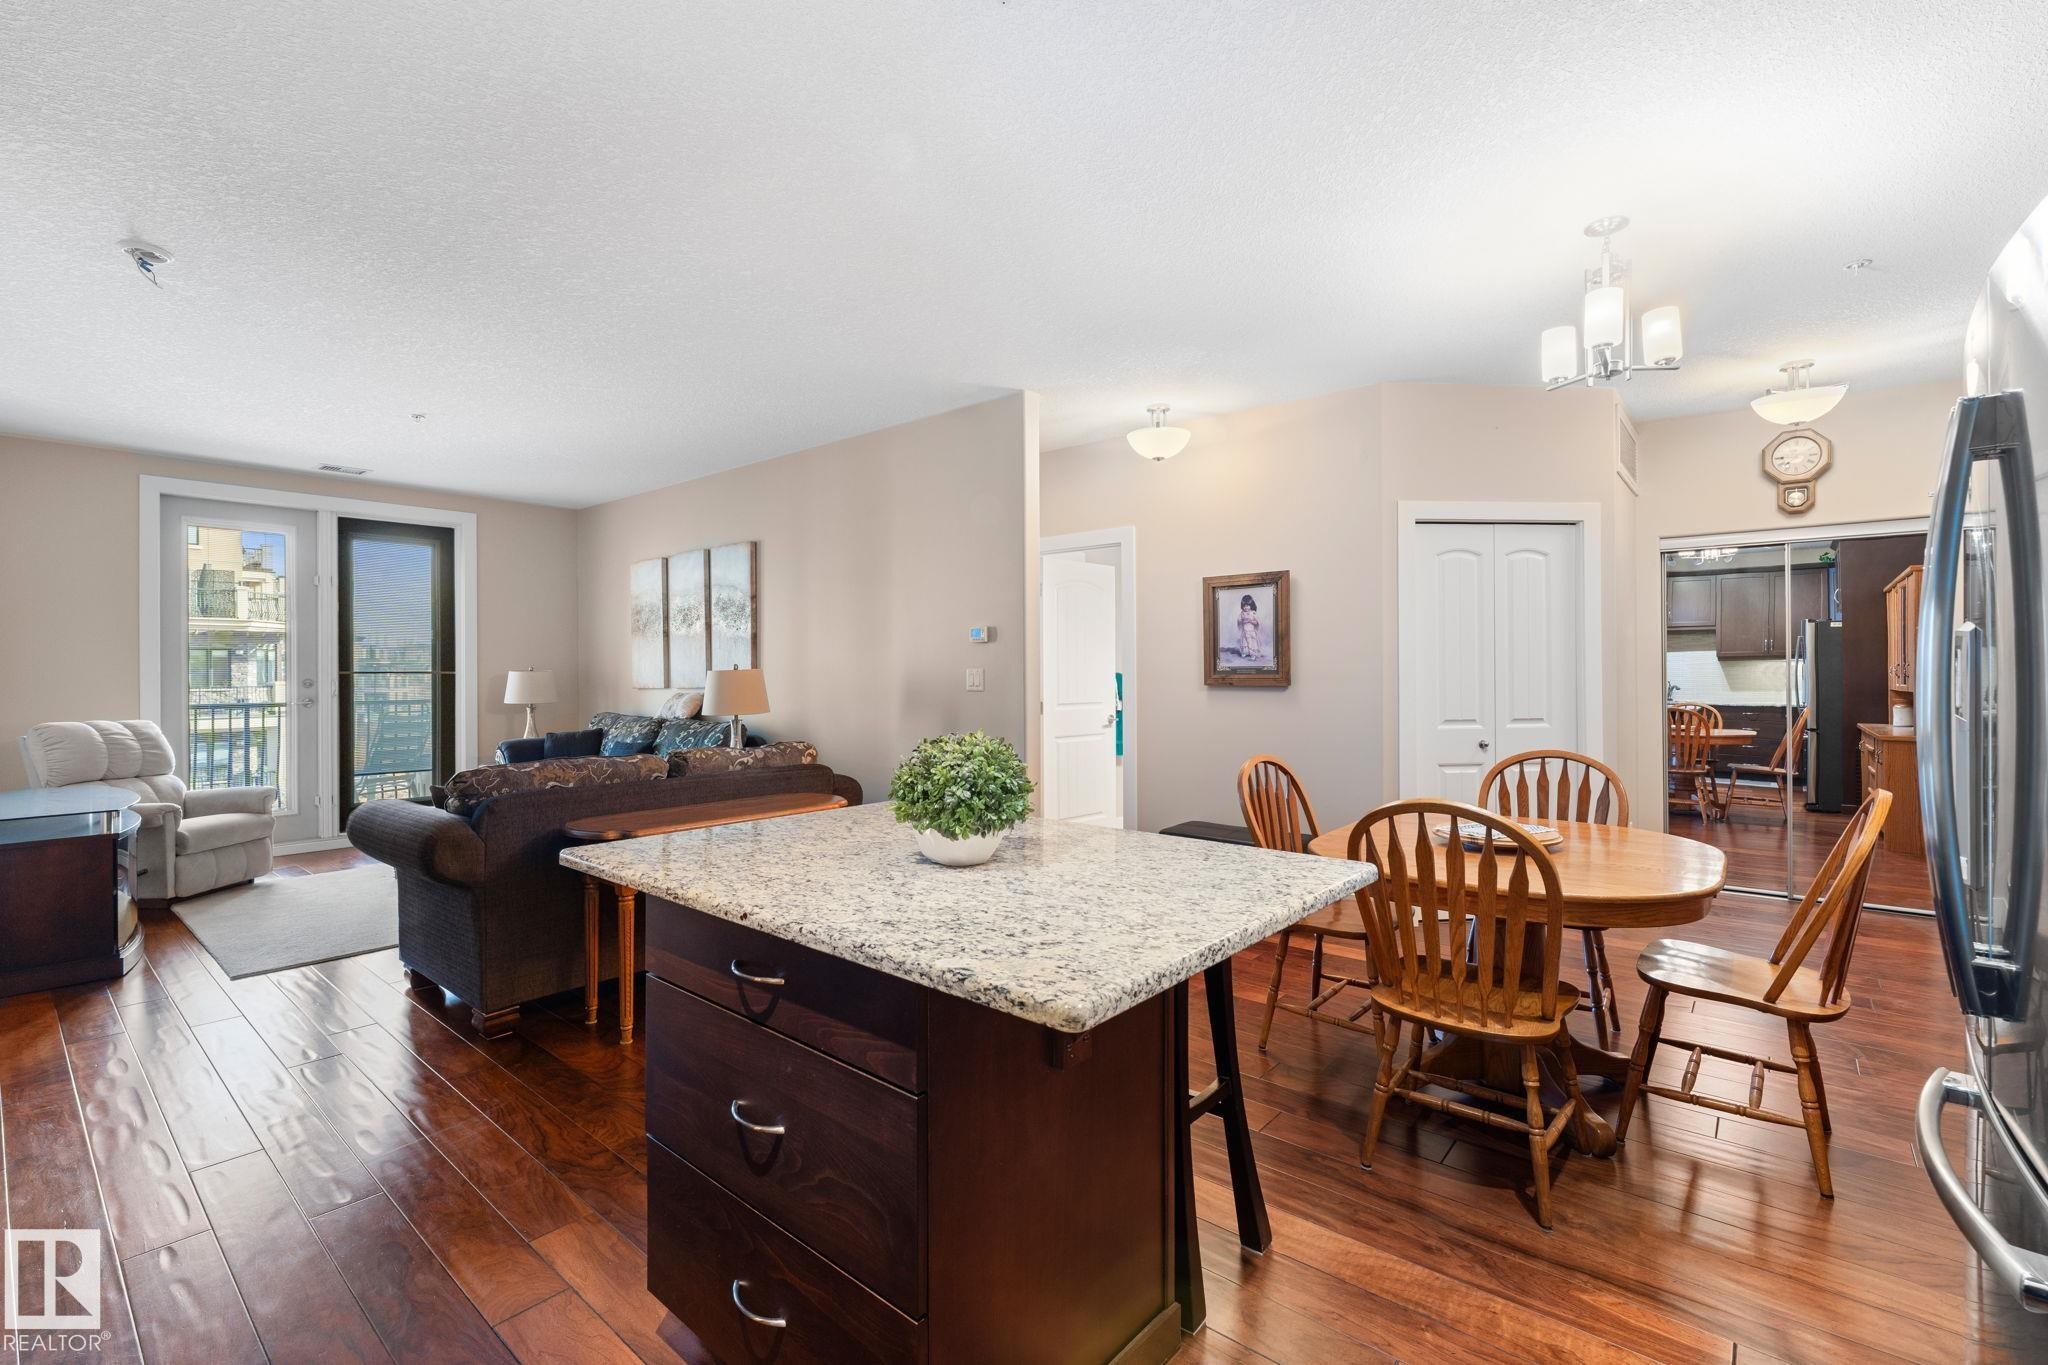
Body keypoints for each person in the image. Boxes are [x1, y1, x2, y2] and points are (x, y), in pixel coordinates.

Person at [1237, 593, 1263, 660]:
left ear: (1251, 605)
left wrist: (1250, 621)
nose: (1246, 607)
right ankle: (1245, 652)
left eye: (1248, 605)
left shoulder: (1253, 613)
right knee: (1245, 641)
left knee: (1252, 642)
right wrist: (1243, 621)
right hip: (1245, 631)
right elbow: (1239, 621)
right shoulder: (1242, 613)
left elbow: (1257, 622)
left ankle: (1252, 654)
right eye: (1244, 606)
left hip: (1251, 631)